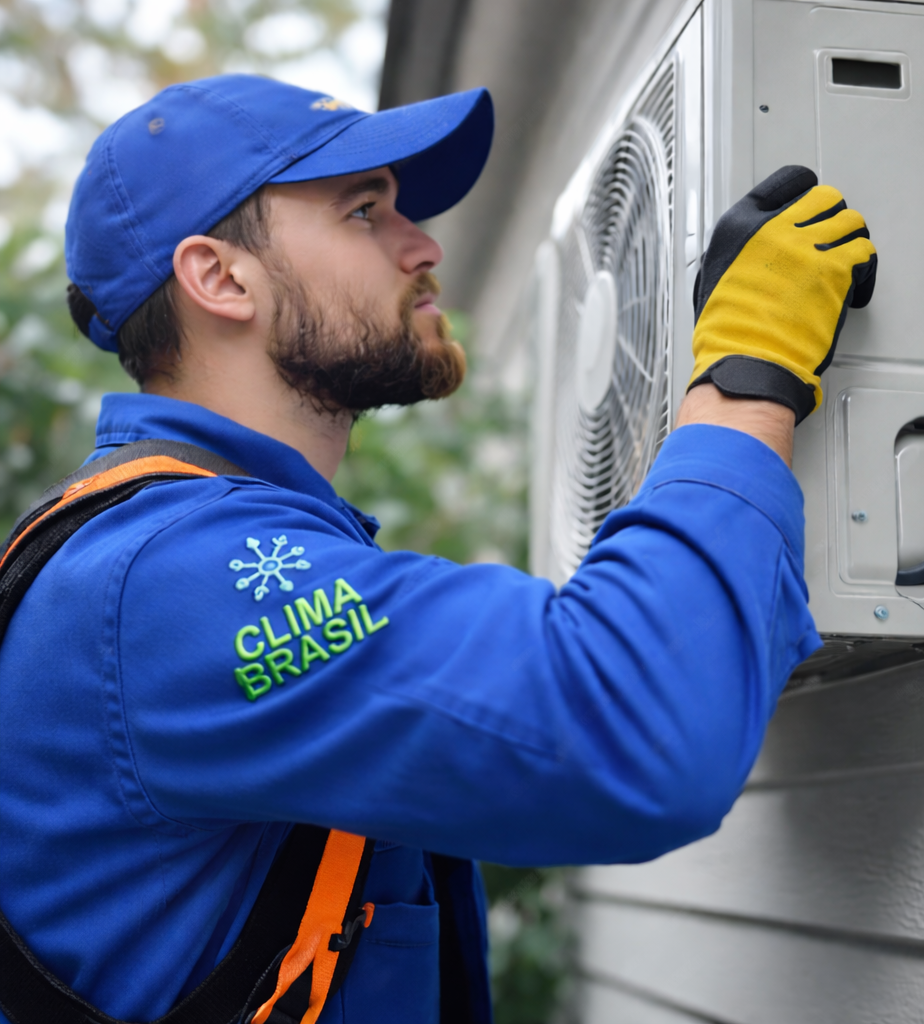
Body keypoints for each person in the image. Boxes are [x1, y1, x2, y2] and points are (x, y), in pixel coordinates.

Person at [0, 74, 876, 1024]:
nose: (422, 246)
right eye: (364, 211)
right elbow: (634, 727)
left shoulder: (184, 553)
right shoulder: (170, 578)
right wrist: (748, 378)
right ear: (220, 277)